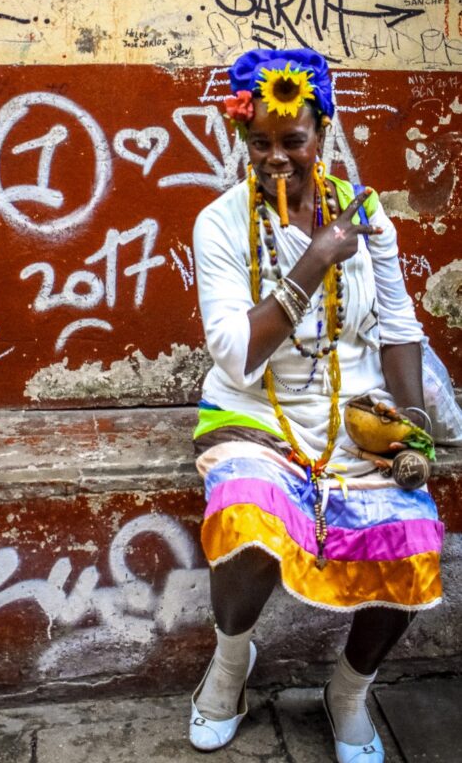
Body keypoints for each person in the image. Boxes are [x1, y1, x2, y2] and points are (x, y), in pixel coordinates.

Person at [189, 48, 443, 761]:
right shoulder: (218, 224)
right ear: (242, 142)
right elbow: (235, 356)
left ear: (321, 135)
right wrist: (315, 259)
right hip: (251, 414)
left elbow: (397, 331)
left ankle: (348, 693)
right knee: (245, 515)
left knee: (412, 536)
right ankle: (230, 663)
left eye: (291, 140)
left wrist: (410, 433)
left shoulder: (368, 220)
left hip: (352, 416)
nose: (276, 158)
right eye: (259, 143)